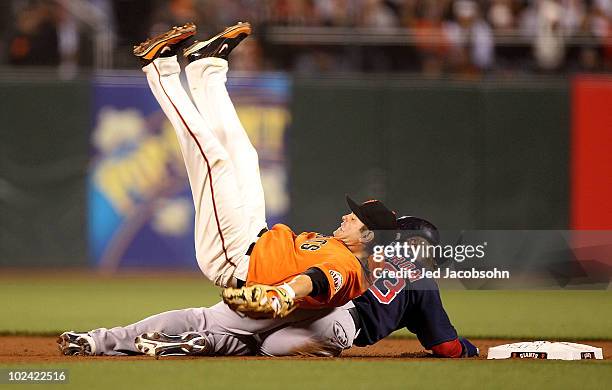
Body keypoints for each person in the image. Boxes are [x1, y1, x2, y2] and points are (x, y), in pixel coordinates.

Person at [131, 22, 400, 318]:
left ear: (367, 237)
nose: (347, 215)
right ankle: (205, 68)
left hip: (232, 259)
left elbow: (316, 281)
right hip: (255, 233)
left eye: (356, 218)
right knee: (245, 156)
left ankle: (160, 68)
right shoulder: (335, 245)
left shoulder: (348, 268)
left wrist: (283, 293)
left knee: (213, 160)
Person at [57, 216, 478, 359]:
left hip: (305, 297)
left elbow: (319, 270)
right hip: (333, 327)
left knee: (209, 318)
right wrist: (470, 350)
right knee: (260, 350)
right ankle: (197, 343)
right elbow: (445, 347)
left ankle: (99, 340)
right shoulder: (421, 280)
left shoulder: (360, 253)